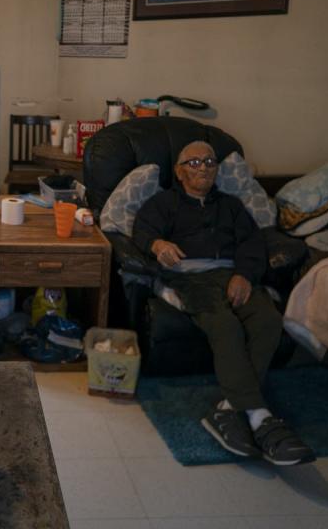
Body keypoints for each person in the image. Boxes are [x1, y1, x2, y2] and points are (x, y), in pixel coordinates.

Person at [132, 140, 316, 466]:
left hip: (234, 276)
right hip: (190, 279)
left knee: (269, 321)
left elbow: (252, 243)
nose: (203, 167)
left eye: (209, 161)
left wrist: (244, 275)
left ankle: (228, 408)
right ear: (179, 170)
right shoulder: (164, 203)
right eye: (193, 162)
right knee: (226, 326)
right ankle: (260, 416)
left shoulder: (231, 206)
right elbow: (142, 230)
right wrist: (158, 243)